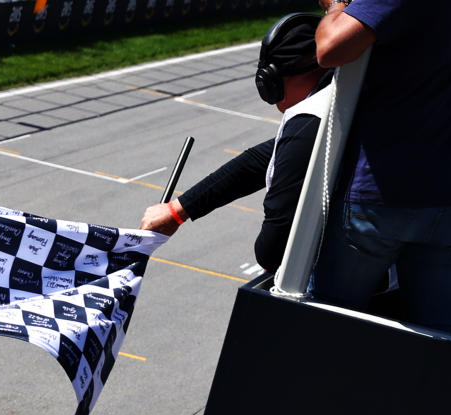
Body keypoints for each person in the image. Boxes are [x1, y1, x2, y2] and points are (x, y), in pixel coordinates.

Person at [311, 0, 451, 333]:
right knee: (436, 345)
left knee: (328, 333)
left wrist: (334, 7)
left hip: (383, 194)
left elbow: (330, 48)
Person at [141, 13, 332, 275]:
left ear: (272, 79)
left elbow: (272, 251)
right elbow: (258, 161)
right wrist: (178, 210)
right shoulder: (339, 95)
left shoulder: (308, 123)